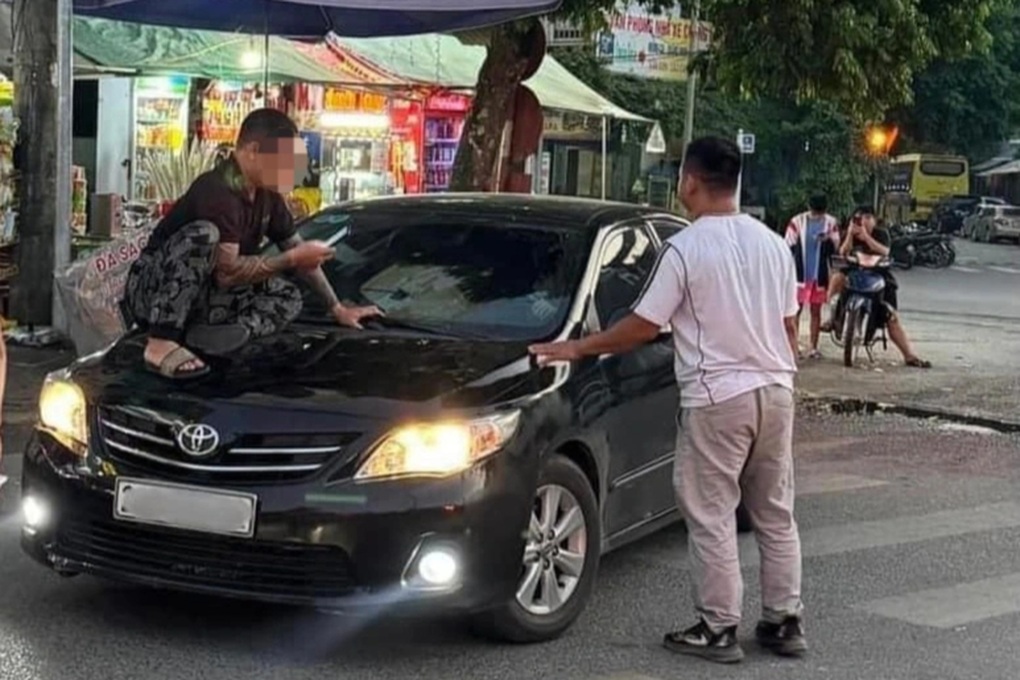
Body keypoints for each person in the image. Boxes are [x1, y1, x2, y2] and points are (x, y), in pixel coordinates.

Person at [530, 136, 806, 664]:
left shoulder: (686, 248)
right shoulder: (773, 243)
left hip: (719, 396)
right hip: (776, 389)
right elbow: (789, 325)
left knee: (711, 512)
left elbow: (641, 326)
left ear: (690, 182)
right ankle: (784, 620)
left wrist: (579, 345)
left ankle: (718, 627)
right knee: (774, 511)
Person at [123, 108, 380, 379]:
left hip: (206, 298)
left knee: (288, 295)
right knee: (203, 235)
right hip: (153, 292)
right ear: (254, 151)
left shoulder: (268, 196)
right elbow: (227, 272)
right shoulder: (216, 189)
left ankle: (207, 335)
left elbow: (297, 248)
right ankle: (160, 341)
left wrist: (337, 308)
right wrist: (292, 260)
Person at [822, 206, 931, 368]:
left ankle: (909, 355)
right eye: (859, 218)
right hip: (854, 272)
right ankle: (832, 317)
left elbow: (885, 251)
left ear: (874, 219)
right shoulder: (851, 233)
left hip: (879, 275)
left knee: (890, 316)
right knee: (837, 277)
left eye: (867, 218)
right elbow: (843, 252)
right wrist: (851, 236)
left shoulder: (881, 234)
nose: (863, 221)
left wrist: (866, 237)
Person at [785, 195, 840, 358]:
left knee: (815, 311)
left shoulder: (830, 223)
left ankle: (813, 347)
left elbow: (836, 245)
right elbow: (788, 244)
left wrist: (827, 240)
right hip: (800, 274)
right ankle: (793, 346)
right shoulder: (797, 222)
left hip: (819, 275)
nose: (817, 216)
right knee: (796, 310)